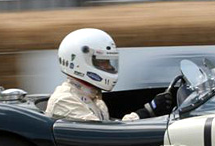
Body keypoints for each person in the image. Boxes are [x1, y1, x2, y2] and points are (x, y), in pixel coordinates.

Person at [45, 28, 175, 122]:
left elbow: (112, 129)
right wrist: (147, 112)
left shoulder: (96, 100)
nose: (110, 67)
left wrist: (148, 112)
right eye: (103, 62)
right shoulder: (64, 100)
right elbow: (102, 135)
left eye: (109, 62)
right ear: (79, 63)